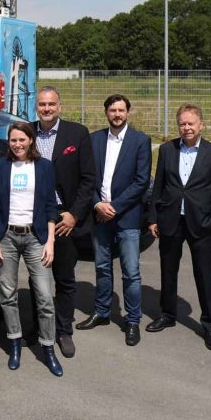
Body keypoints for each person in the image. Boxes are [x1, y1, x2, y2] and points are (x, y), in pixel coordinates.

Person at [146, 103, 211, 351]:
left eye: (191, 123)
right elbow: (158, 186)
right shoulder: (167, 150)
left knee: (205, 274)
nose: (187, 127)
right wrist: (152, 218)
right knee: (168, 270)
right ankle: (167, 315)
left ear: (201, 124)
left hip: (200, 224)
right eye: (182, 123)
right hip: (171, 221)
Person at [0, 121, 63, 376]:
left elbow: (51, 206)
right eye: (13, 140)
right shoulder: (0, 166)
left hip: (36, 236)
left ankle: (48, 347)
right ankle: (15, 342)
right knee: (8, 294)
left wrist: (50, 241)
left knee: (44, 295)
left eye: (22, 140)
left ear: (31, 140)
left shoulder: (44, 167)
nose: (17, 144)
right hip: (7, 237)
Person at [77, 94, 151, 347]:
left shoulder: (140, 141)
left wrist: (115, 207)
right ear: (106, 113)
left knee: (131, 272)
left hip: (127, 217)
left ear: (128, 112)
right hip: (99, 216)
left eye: (121, 110)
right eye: (112, 110)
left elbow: (141, 181)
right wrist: (98, 203)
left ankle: (132, 320)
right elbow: (87, 177)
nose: (117, 114)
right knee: (102, 267)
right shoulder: (94, 139)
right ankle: (102, 312)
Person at [33, 86, 95, 358]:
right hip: (34, 217)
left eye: (51, 104)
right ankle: (40, 328)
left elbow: (88, 179)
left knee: (65, 278)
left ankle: (63, 330)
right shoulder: (27, 134)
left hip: (64, 218)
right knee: (38, 278)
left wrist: (74, 214)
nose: (46, 109)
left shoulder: (77, 134)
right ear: (36, 106)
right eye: (42, 104)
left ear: (60, 106)